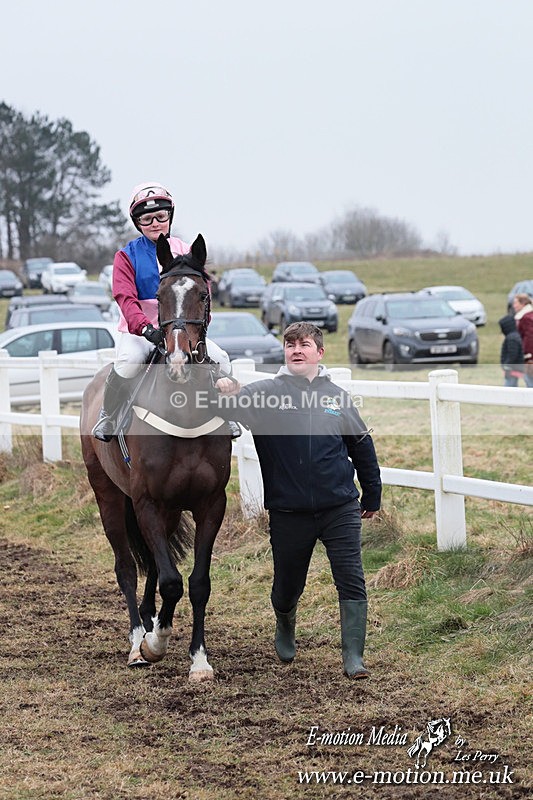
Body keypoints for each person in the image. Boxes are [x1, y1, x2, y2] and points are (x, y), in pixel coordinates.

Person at [215, 322, 382, 678]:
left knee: (351, 578)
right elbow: (226, 409)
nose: (296, 350)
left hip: (339, 506)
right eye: (290, 344)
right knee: (288, 584)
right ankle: (285, 624)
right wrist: (225, 389)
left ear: (319, 353)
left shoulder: (337, 397)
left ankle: (354, 657)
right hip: (289, 511)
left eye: (304, 344)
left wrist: (373, 492)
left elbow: (361, 445)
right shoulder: (264, 394)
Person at [92, 181, 232, 441]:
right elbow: (125, 298)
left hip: (182, 330)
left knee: (221, 358)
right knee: (128, 362)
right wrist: (146, 329)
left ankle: (224, 413)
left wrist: (197, 331)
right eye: (147, 219)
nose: (155, 223)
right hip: (141, 331)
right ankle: (108, 415)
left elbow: (203, 295)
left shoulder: (186, 251)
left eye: (161, 216)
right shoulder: (126, 256)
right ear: (138, 223)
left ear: (170, 216)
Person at [512, 293, 533, 388]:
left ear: (523, 304)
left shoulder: (525, 318)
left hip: (529, 356)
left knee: (529, 380)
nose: (514, 306)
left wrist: (526, 353)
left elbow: (529, 337)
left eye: (516, 303)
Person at [498, 314, 525, 387]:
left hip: (512, 369)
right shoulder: (514, 336)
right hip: (513, 368)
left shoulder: (512, 338)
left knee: (509, 387)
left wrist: (507, 366)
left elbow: (512, 355)